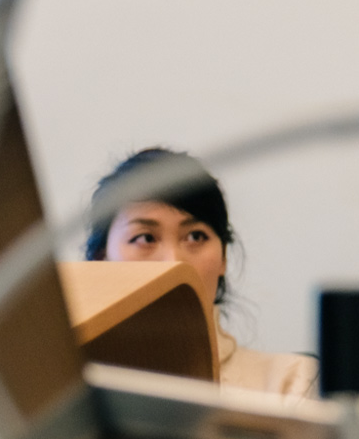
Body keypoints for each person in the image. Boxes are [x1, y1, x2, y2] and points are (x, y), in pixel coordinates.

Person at [85, 147, 317, 400]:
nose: (174, 263)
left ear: (223, 258)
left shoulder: (293, 383)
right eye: (146, 238)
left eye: (195, 236)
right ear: (100, 260)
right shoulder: (69, 390)